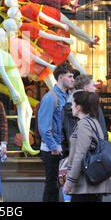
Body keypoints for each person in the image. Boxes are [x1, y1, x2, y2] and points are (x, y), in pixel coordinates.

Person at [63, 91, 111, 202]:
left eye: (73, 103)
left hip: (85, 185)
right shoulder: (93, 122)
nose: (71, 106)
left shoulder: (83, 125)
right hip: (93, 183)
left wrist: (69, 182)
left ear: (79, 107)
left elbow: (79, 155)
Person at [38, 61, 74, 202]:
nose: (73, 79)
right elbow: (43, 127)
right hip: (52, 150)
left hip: (62, 148)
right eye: (70, 76)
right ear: (60, 77)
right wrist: (53, 147)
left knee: (59, 185)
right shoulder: (50, 97)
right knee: (52, 186)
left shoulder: (66, 97)